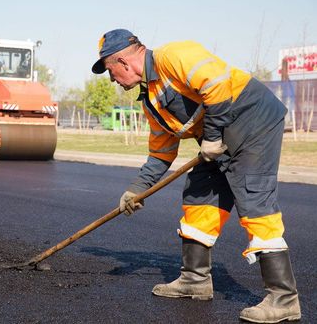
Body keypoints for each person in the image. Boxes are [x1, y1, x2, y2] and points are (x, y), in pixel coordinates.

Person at [91, 29, 300, 323]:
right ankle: (194, 280)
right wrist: (136, 189)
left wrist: (212, 137)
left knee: (254, 201)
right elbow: (161, 153)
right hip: (217, 139)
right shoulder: (151, 99)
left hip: (253, 121)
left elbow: (216, 84)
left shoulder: (172, 56)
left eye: (110, 71)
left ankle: (284, 299)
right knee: (199, 196)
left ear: (123, 61)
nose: (112, 79)